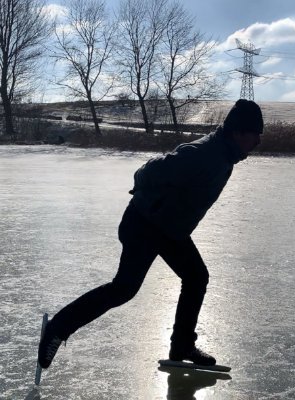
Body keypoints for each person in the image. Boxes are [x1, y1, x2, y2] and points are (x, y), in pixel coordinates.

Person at [38, 99, 264, 369]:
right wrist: (147, 200)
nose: (257, 142)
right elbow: (149, 171)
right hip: (144, 223)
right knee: (124, 288)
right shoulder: (204, 153)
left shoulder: (226, 155)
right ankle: (57, 329)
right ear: (238, 132)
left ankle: (182, 346)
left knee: (196, 277)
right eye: (255, 135)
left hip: (170, 229)